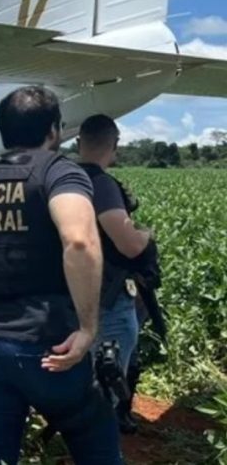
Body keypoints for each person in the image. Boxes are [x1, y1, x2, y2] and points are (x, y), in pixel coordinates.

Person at [0, 86, 122, 464]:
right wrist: (88, 329)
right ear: (54, 130)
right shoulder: (58, 171)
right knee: (96, 441)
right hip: (49, 346)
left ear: (3, 130)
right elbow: (79, 242)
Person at [77, 114, 160, 434]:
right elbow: (128, 244)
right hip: (106, 299)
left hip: (68, 296)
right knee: (106, 385)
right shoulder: (101, 184)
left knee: (81, 377)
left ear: (79, 142)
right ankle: (99, 444)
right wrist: (145, 235)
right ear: (114, 146)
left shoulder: (62, 179)